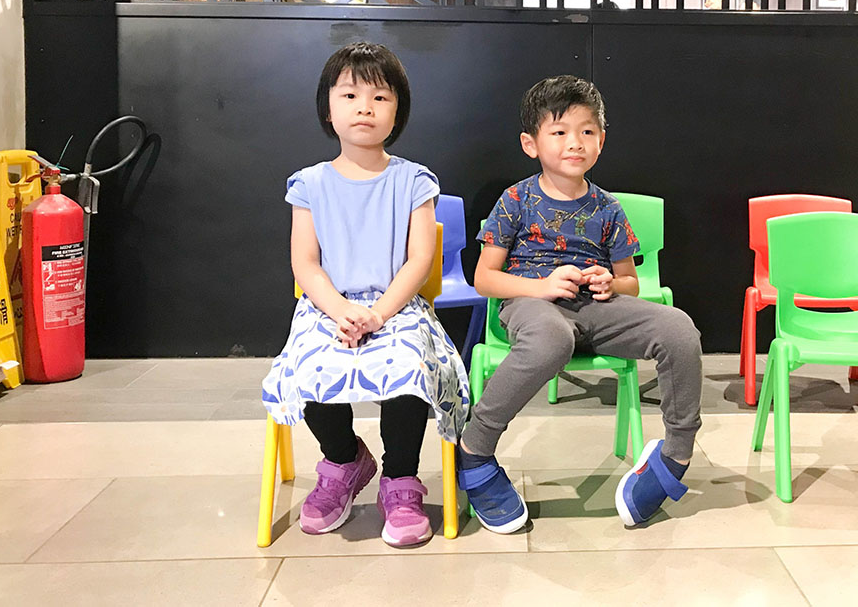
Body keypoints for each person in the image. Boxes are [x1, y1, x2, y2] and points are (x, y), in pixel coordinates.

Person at [457, 75, 703, 532]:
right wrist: (542, 286)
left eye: (587, 131)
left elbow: (630, 282)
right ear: (531, 144)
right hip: (532, 304)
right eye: (560, 131)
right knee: (551, 339)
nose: (575, 142)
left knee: (679, 329)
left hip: (597, 308)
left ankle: (676, 454)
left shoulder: (607, 208)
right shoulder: (515, 200)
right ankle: (474, 447)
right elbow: (485, 279)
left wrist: (611, 282)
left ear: (601, 141)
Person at [262, 42, 468, 547]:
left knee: (408, 368)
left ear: (398, 112)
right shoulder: (309, 184)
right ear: (328, 109)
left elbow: (419, 260)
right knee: (309, 366)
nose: (365, 108)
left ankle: (400, 479)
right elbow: (305, 264)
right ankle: (343, 461)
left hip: (397, 306)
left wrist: (377, 314)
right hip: (328, 306)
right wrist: (340, 310)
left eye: (380, 97)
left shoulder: (414, 180)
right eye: (350, 95)